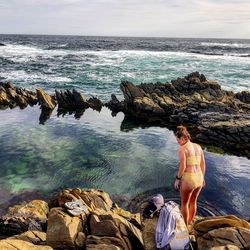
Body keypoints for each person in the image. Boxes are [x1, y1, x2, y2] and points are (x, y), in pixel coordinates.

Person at [174, 125, 206, 226]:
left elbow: (183, 166)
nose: (177, 142)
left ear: (183, 138)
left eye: (177, 139)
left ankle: (185, 226)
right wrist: (203, 178)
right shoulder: (198, 147)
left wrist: (177, 179)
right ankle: (191, 222)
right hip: (199, 178)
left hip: (189, 179)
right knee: (193, 202)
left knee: (184, 204)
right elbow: (203, 164)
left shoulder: (183, 149)